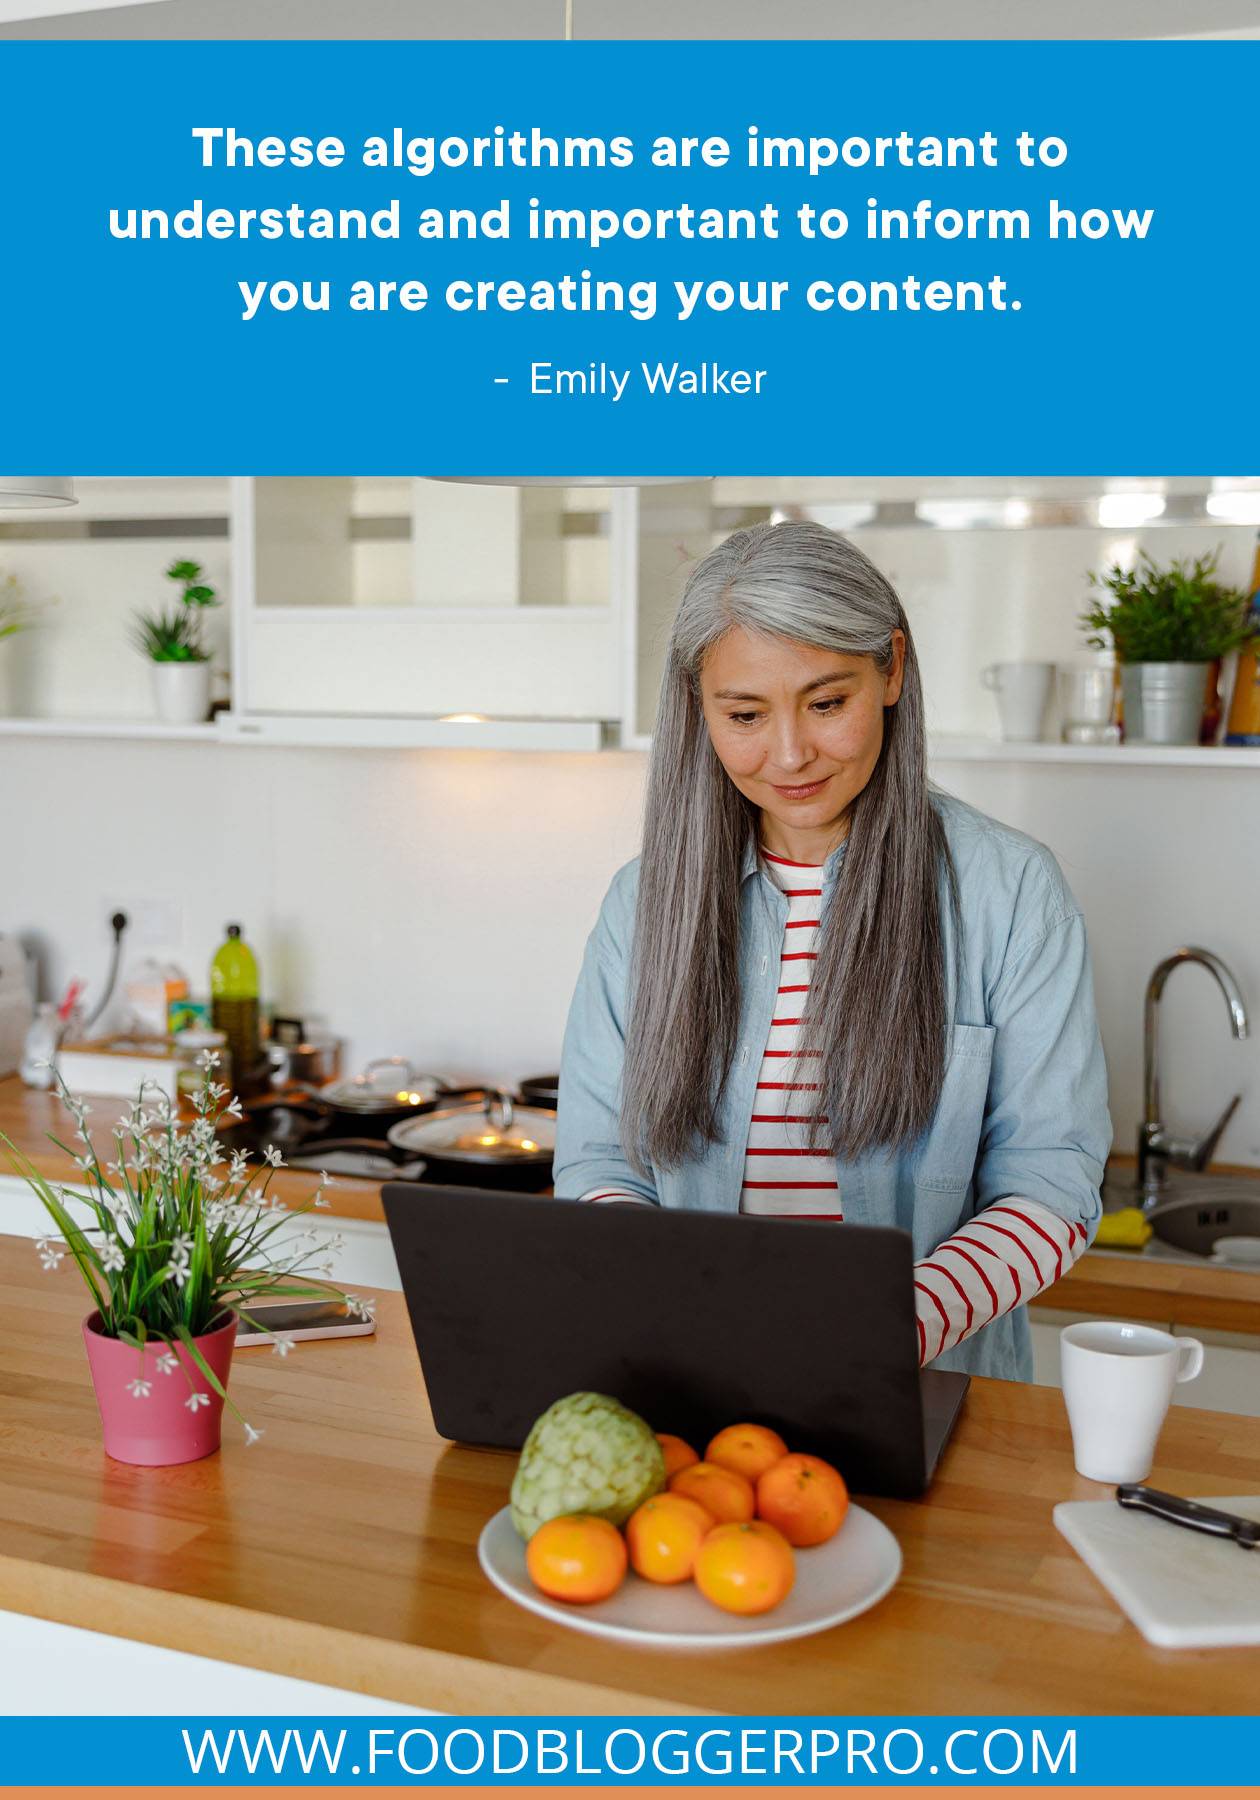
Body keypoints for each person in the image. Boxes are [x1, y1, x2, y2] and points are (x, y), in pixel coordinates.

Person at [554, 520, 1111, 1379]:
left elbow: (1051, 1185)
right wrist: (664, 1298)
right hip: (695, 1381)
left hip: (928, 1391)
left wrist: (882, 1332)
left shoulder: (1012, 892)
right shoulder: (644, 901)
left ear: (890, 669)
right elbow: (597, 1160)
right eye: (744, 714)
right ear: (698, 708)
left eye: (826, 703)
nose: (789, 755)